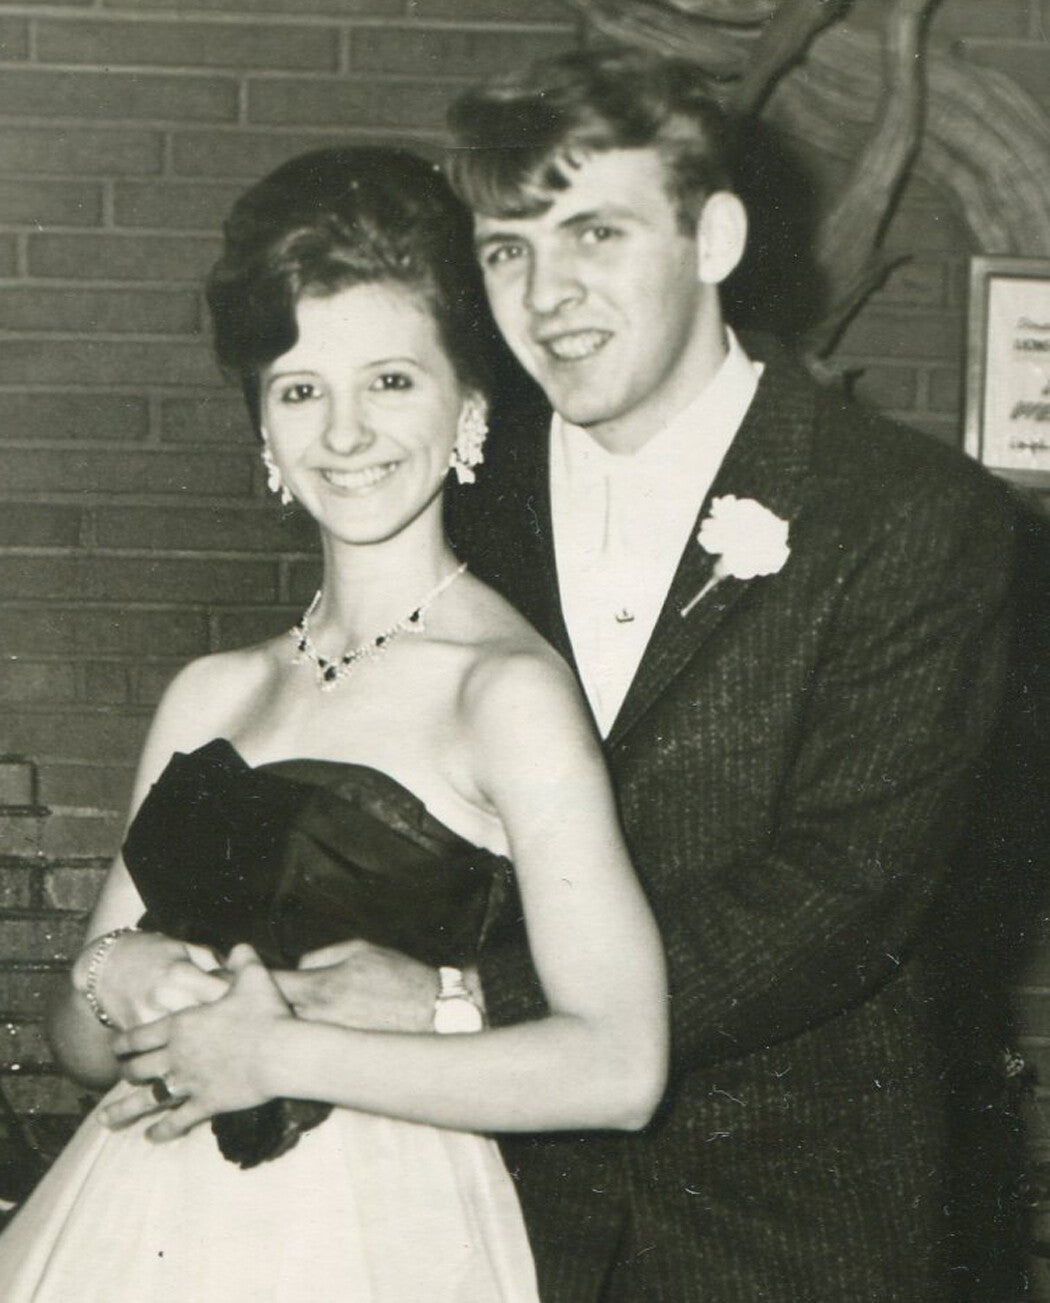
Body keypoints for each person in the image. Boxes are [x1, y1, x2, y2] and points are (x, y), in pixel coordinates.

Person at [55, 46, 1018, 1301]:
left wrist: (451, 1000)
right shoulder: (457, 488)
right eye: (508, 248)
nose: (549, 291)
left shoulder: (906, 517)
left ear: (715, 236)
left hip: (779, 1216)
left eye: (596, 233)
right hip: (498, 1205)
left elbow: (837, 899)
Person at [0, 145, 668, 1302]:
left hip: (377, 1233)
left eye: (391, 382)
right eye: (302, 390)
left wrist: (279, 1053)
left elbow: (620, 1064)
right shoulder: (213, 691)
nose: (345, 432)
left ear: (470, 403)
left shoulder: (506, 689)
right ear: (264, 428)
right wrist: (125, 974)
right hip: (135, 1216)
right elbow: (75, 1032)